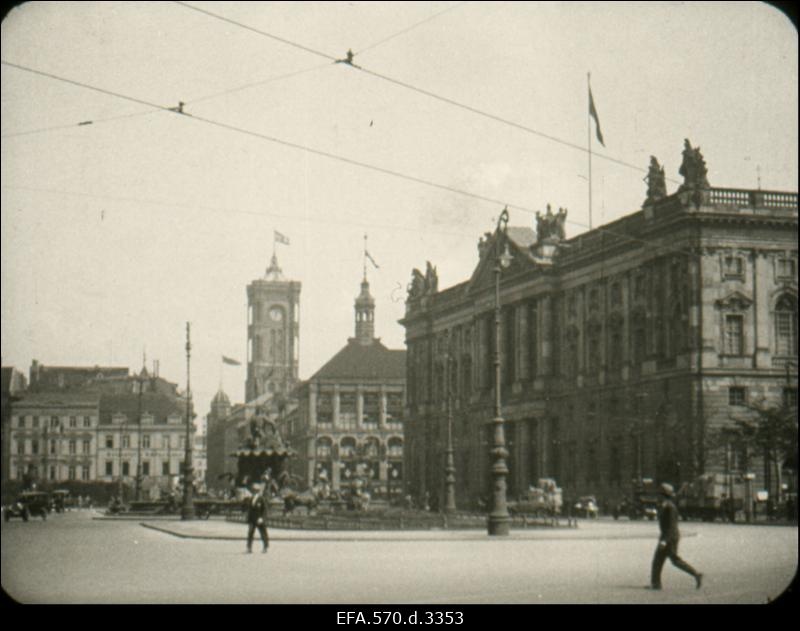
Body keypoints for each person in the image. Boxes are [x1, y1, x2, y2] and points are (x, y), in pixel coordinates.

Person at [651, 483, 703, 590]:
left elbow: (671, 526)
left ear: (663, 495)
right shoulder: (666, 505)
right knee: (659, 560)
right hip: (668, 536)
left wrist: (664, 541)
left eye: (660, 494)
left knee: (674, 560)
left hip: (670, 537)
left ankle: (696, 574)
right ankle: (656, 584)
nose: (658, 496)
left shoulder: (670, 508)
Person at [245, 481, 269, 554]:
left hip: (259, 519)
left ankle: (265, 547)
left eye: (256, 490)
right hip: (252, 519)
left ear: (258, 491)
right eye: (254, 490)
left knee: (263, 533)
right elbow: (250, 509)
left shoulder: (261, 499)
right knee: (250, 533)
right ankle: (249, 547)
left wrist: (262, 518)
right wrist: (248, 518)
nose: (254, 491)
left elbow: (264, 509)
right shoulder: (251, 498)